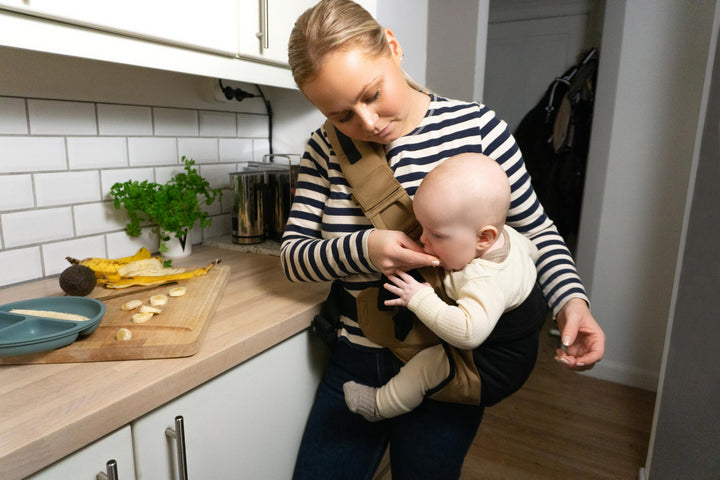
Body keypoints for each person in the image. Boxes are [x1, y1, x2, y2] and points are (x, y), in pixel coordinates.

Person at [282, 1, 606, 478]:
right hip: (356, 356)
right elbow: (294, 259)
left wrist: (571, 301)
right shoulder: (323, 150)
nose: (367, 123)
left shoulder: (478, 129)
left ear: (392, 46)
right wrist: (367, 250)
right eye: (342, 114)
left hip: (450, 364)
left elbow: (536, 232)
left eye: (373, 94)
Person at [343, 152, 541, 422]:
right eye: (422, 228)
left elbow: (468, 333)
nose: (423, 239)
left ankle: (380, 404)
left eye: (436, 234)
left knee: (426, 365)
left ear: (484, 237)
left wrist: (419, 298)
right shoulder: (512, 239)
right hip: (513, 356)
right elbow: (533, 252)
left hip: (487, 372)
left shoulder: (485, 280)